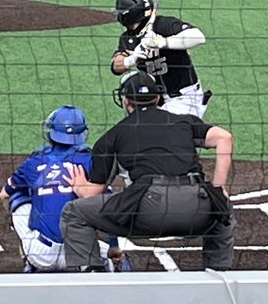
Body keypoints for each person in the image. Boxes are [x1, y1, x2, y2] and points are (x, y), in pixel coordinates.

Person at [60, 71, 235, 272]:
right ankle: (219, 278)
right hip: (197, 207)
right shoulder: (183, 121)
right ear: (158, 97)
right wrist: (218, 189)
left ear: (125, 100)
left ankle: (93, 281)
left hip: (149, 210)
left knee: (74, 213)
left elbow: (92, 193)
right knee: (223, 210)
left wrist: (80, 187)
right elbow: (224, 138)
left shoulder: (113, 136)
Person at [0, 104, 127, 272]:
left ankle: (28, 260)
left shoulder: (33, 162)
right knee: (102, 199)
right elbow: (109, 209)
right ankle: (114, 276)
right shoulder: (89, 162)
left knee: (18, 198)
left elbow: (3, 195)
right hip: (79, 254)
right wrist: (113, 247)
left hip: (41, 255)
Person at [111, 0, 210, 117]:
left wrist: (163, 42)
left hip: (184, 98)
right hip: (154, 100)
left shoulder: (163, 25)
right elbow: (115, 66)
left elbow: (198, 37)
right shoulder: (128, 38)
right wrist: (132, 59)